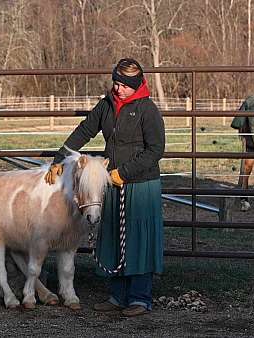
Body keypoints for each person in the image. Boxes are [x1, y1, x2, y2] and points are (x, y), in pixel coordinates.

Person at [44, 58, 165, 317]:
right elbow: (83, 131)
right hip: (111, 182)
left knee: (138, 238)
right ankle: (118, 296)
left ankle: (140, 298)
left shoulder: (147, 110)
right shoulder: (107, 106)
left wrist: (125, 172)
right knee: (113, 235)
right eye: (116, 83)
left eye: (124, 85)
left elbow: (155, 150)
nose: (118, 88)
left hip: (141, 184)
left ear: (137, 85)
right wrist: (58, 160)